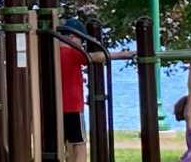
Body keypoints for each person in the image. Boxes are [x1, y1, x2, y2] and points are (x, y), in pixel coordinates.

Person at [56, 19, 134, 162]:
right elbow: (96, 57)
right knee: (80, 145)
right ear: (73, 37)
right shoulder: (71, 52)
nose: (82, 45)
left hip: (56, 107)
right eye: (82, 41)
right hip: (73, 107)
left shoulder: (53, 54)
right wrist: (123, 55)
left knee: (61, 145)